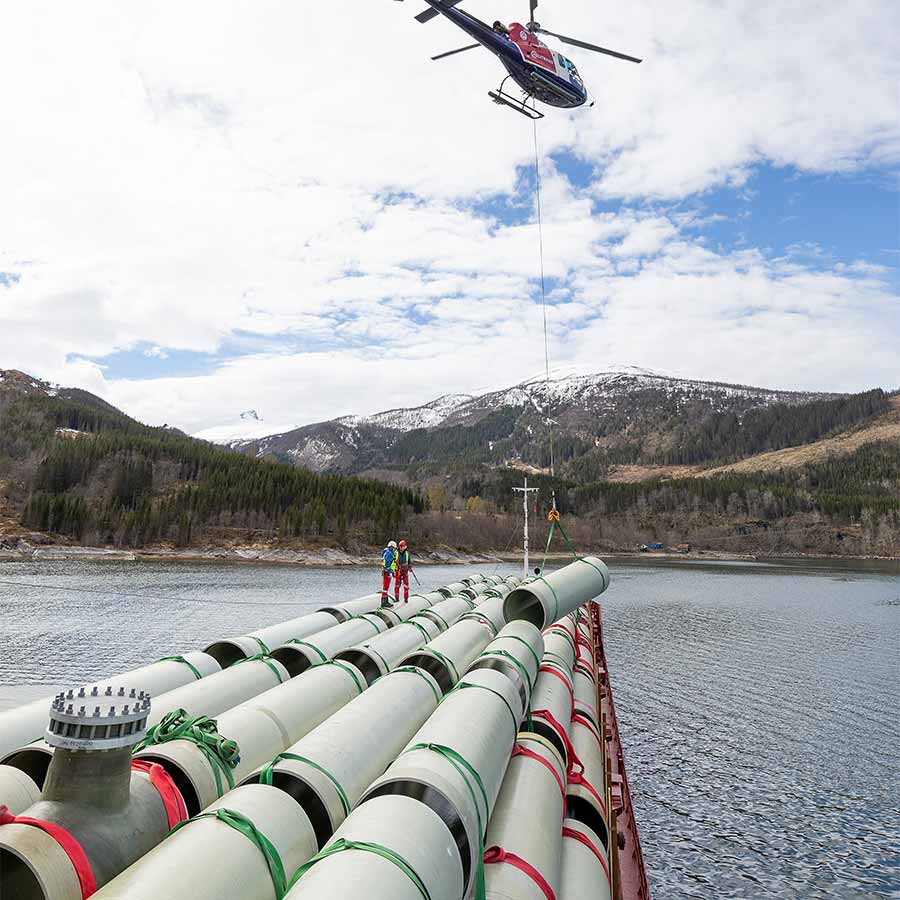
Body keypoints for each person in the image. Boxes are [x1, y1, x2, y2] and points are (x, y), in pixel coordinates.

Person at [394, 539, 413, 603]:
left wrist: (410, 567)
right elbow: (393, 562)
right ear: (400, 547)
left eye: (404, 547)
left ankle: (406, 599)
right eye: (402, 547)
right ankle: (396, 599)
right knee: (397, 585)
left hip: (405, 571)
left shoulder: (407, 553)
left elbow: (409, 561)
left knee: (406, 585)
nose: (403, 548)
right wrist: (393, 570)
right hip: (398, 571)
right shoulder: (395, 553)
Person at [381, 540, 398, 607]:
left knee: (386, 587)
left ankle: (385, 601)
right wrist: (390, 572)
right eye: (394, 548)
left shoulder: (388, 552)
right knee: (385, 587)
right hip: (387, 572)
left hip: (387, 571)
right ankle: (384, 602)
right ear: (391, 547)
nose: (394, 550)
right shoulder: (389, 553)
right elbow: (388, 564)